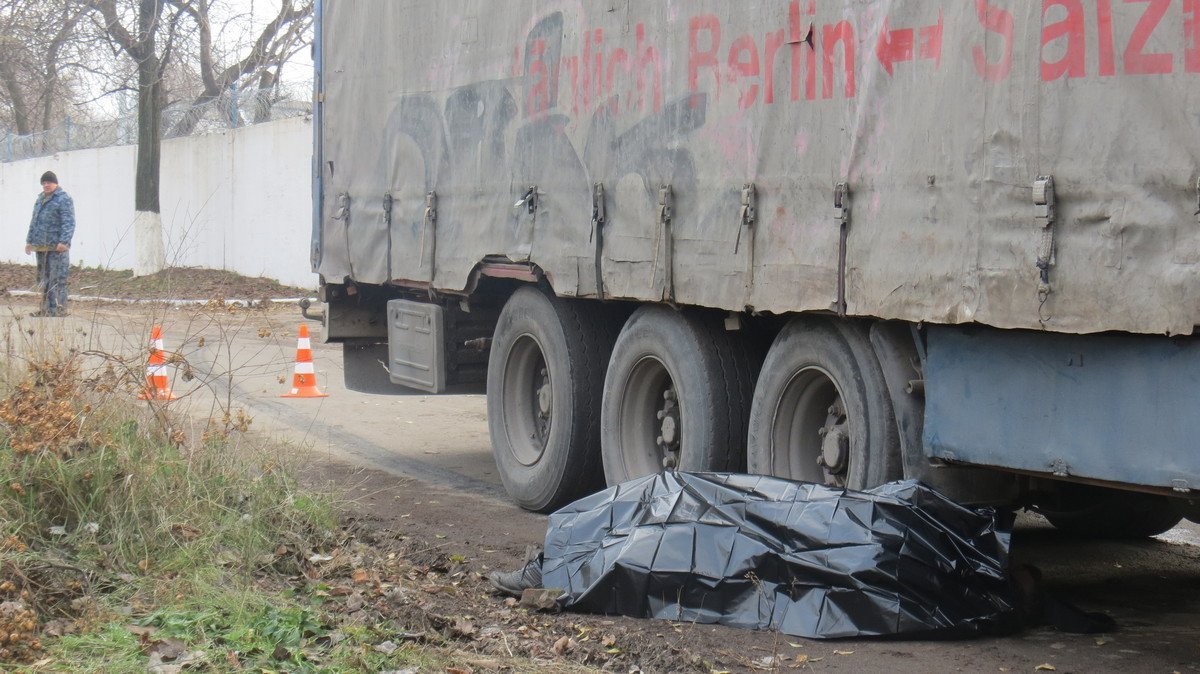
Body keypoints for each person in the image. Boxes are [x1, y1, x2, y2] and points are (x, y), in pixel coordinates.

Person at [24, 170, 75, 317]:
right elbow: (34, 221)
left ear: (56, 183)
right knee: (44, 279)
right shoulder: (40, 199)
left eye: (49, 182)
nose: (46, 185)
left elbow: (69, 222)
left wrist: (64, 241)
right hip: (41, 247)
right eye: (44, 183)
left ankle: (59, 309)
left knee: (58, 278)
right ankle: (46, 309)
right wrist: (29, 241)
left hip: (56, 248)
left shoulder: (63, 199)